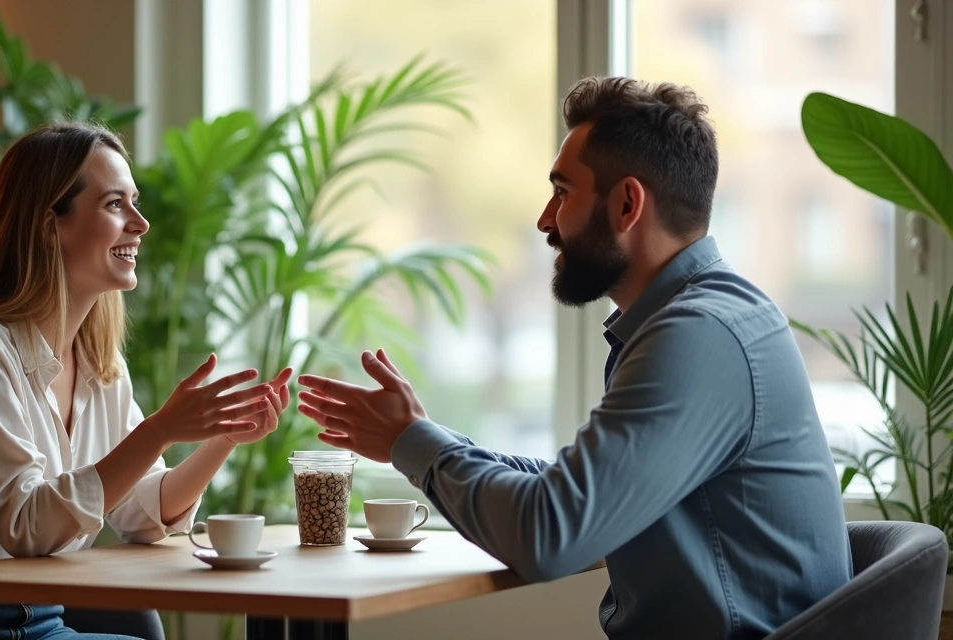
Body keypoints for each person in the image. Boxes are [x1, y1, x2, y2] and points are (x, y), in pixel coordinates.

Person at [295, 77, 852, 639]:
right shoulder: (708, 319)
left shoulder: (698, 336)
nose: (545, 219)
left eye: (563, 192)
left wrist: (411, 444)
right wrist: (418, 434)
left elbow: (549, 536)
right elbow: (575, 494)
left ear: (628, 204)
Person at [0, 122, 291, 640]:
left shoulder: (102, 365)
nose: (141, 223)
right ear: (49, 226)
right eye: (114, 205)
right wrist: (159, 430)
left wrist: (222, 438)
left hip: (38, 622)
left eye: (134, 201)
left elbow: (143, 513)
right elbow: (27, 526)